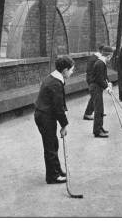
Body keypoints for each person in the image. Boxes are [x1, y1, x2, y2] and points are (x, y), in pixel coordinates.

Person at [34, 55, 75, 184]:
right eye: (71, 70)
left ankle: (57, 170)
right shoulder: (55, 83)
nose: (72, 72)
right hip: (45, 116)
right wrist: (64, 125)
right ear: (65, 71)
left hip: (44, 114)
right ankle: (52, 176)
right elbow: (58, 108)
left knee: (53, 144)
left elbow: (60, 103)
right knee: (50, 146)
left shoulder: (54, 77)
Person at [90, 46, 114, 138]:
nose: (111, 58)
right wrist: (106, 88)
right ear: (109, 56)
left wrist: (109, 83)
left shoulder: (102, 62)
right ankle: (97, 131)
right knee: (98, 109)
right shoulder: (100, 63)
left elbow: (104, 76)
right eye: (111, 56)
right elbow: (99, 79)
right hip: (95, 87)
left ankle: (100, 127)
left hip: (97, 87)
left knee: (101, 109)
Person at [83, 46, 102, 120]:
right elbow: (92, 71)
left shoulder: (96, 57)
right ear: (101, 51)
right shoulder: (95, 58)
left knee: (98, 96)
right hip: (93, 80)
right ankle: (88, 114)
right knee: (94, 96)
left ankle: (98, 111)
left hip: (94, 79)